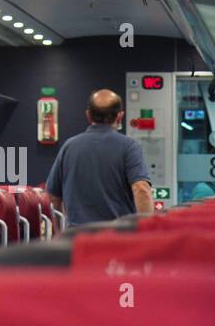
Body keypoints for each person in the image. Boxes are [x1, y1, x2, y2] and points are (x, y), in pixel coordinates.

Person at [45, 89, 153, 225]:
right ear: (120, 116)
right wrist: (148, 230)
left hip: (76, 239)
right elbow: (141, 189)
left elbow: (53, 197)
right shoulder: (129, 147)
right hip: (116, 237)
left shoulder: (69, 146)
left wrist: (58, 231)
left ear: (88, 115)